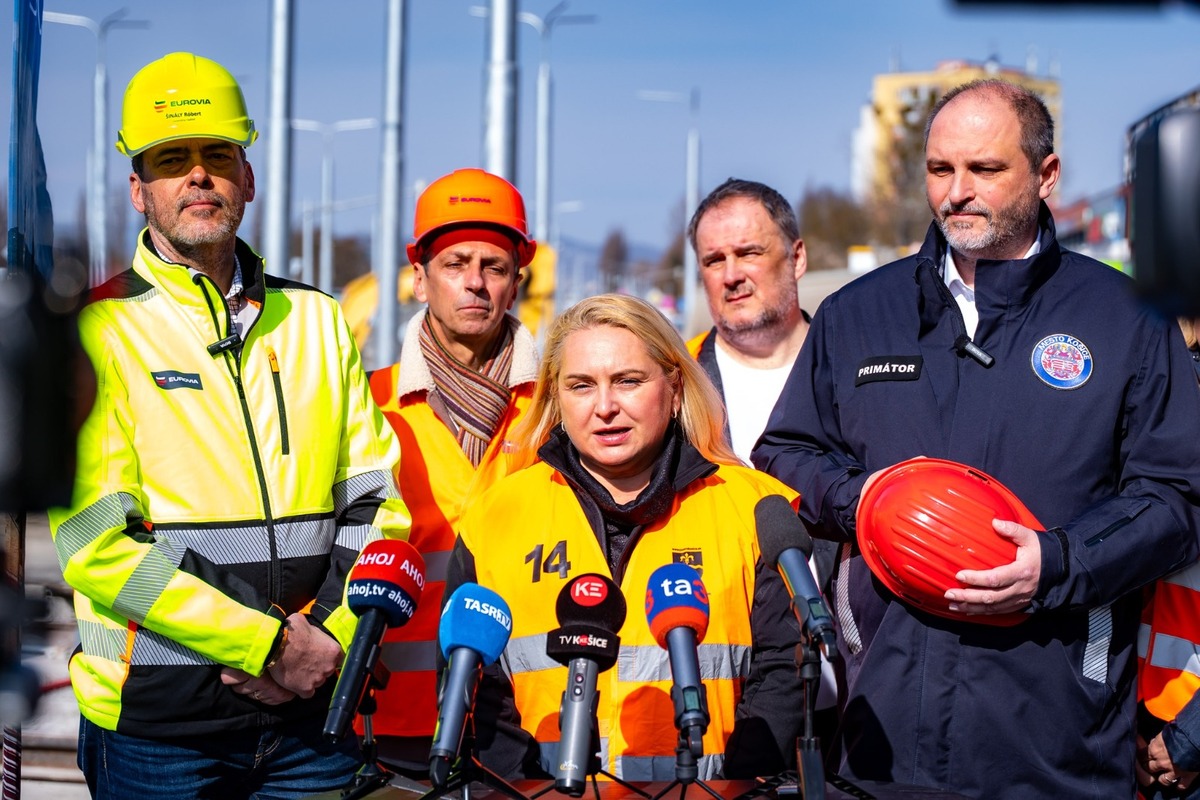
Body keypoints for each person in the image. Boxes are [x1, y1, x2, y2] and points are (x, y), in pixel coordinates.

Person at [753, 78, 1200, 800]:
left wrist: (1057, 562)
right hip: (881, 745)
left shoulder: (1126, 320)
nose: (957, 192)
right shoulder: (857, 313)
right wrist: (866, 499)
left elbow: (1176, 498)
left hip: (1057, 745)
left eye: (985, 169)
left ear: (1046, 175)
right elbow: (784, 454)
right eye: (939, 170)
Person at [47, 52, 412, 799]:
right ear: (138, 191)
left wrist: (328, 644)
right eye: (172, 160)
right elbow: (99, 548)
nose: (199, 176)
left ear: (247, 179)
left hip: (317, 717)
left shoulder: (315, 319)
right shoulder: (97, 331)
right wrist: (271, 645)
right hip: (158, 735)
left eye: (218, 155)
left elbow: (378, 503)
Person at [444, 294, 805, 782]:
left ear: (674, 388)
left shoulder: (753, 506)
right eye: (581, 386)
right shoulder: (494, 516)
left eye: (628, 381)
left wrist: (731, 789)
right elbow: (473, 689)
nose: (606, 407)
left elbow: (782, 674)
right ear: (555, 398)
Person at [365, 168, 540, 770]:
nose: (475, 283)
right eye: (455, 263)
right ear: (419, 278)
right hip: (391, 717)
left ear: (517, 282)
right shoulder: (365, 407)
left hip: (526, 717)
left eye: (494, 267)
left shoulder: (559, 412)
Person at [686, 177, 838, 746]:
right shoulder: (673, 394)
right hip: (728, 713)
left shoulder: (860, 380)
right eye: (713, 259)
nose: (730, 274)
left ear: (796, 257)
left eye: (749, 252)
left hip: (857, 707)